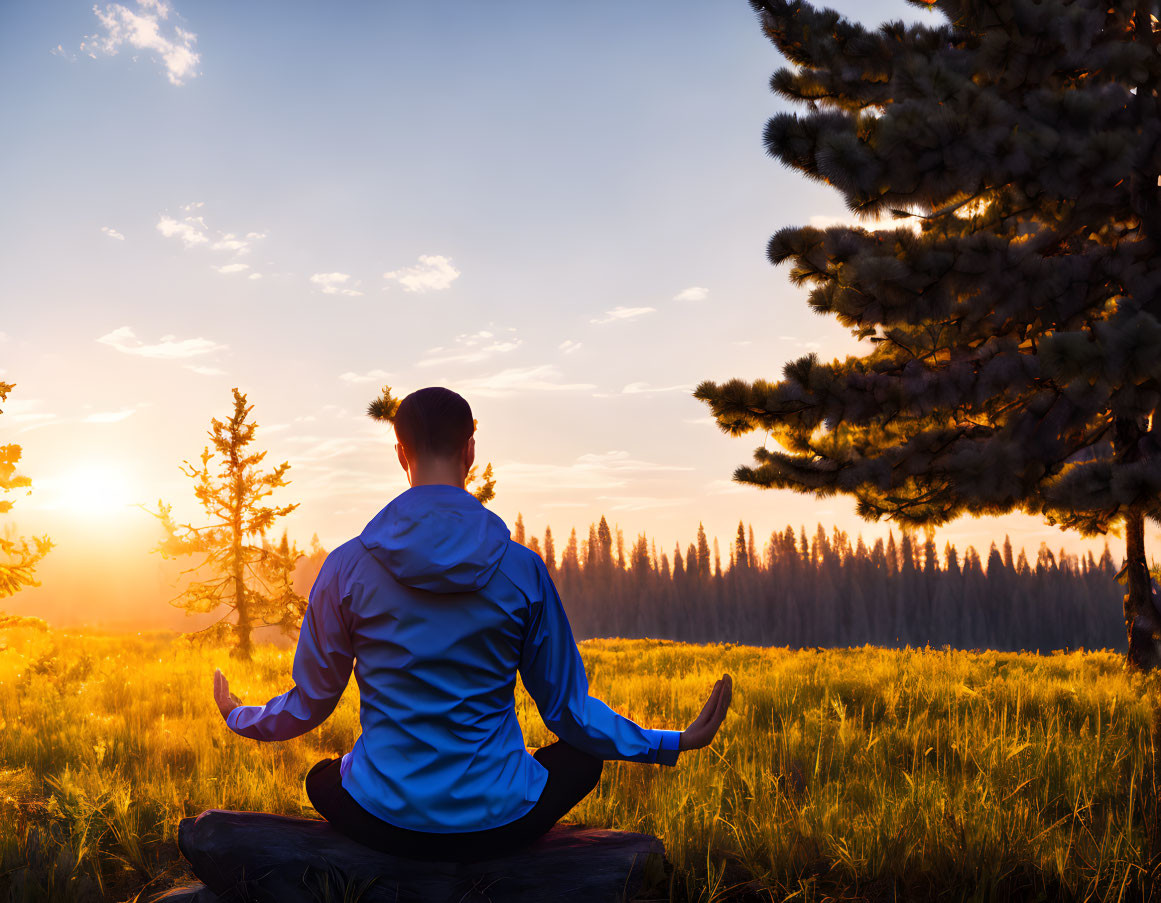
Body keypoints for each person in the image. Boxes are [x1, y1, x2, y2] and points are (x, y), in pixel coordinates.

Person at [212, 386, 733, 862]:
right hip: (500, 824)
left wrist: (240, 716)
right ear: (470, 451)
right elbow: (567, 713)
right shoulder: (522, 569)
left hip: (385, 820)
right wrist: (672, 741)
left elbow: (311, 703)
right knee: (582, 759)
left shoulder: (346, 567)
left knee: (322, 779)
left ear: (401, 455)